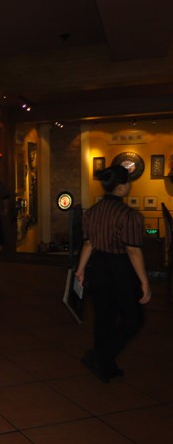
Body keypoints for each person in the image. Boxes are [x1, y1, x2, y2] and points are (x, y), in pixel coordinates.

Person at [75, 164, 151, 383]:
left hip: (98, 268)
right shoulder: (129, 216)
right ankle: (101, 357)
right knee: (134, 319)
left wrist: (81, 269)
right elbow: (133, 250)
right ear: (122, 186)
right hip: (120, 270)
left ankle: (105, 365)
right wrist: (144, 281)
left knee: (103, 318)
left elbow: (88, 243)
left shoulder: (92, 212)